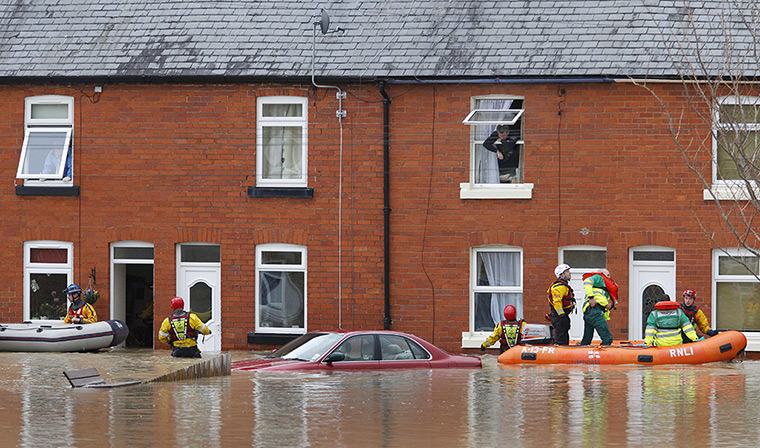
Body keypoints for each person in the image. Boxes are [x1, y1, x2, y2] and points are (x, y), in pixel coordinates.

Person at [580, 269, 617, 345]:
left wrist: (607, 304)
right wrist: (591, 297)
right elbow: (587, 281)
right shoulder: (599, 277)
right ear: (602, 274)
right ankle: (604, 355)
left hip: (590, 312)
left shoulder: (601, 286)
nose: (609, 277)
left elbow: (600, 297)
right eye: (607, 275)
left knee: (587, 339)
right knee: (607, 339)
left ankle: (582, 353)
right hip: (594, 312)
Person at [547, 263, 575, 345]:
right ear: (561, 274)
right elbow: (557, 302)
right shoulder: (559, 287)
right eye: (567, 271)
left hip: (562, 316)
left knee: (564, 336)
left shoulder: (564, 286)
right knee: (561, 338)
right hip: (559, 316)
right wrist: (562, 315)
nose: (569, 273)